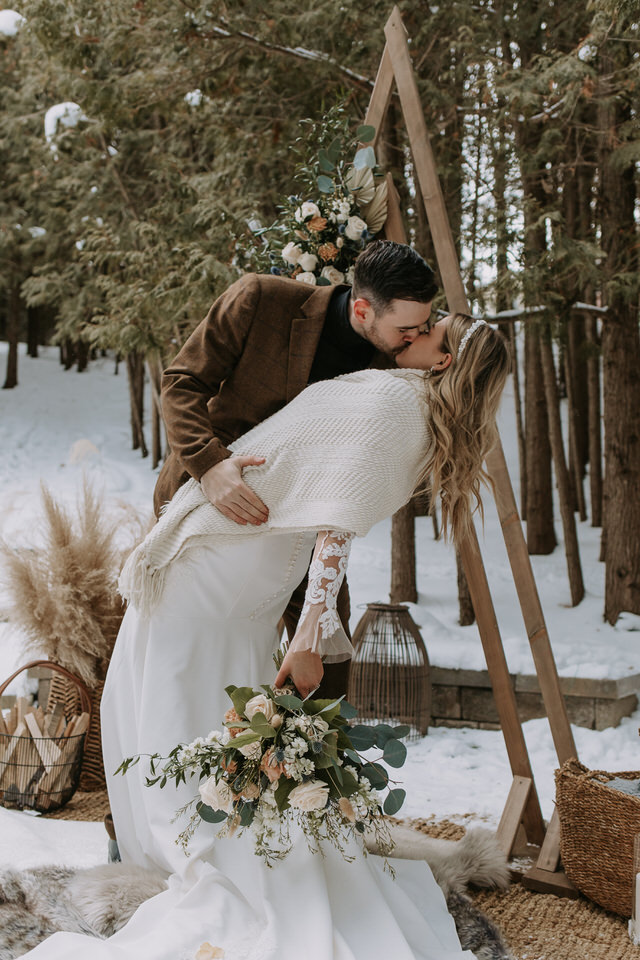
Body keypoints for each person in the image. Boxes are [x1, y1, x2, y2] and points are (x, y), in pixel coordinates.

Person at [18, 310, 509, 960]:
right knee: (186, 693)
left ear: (443, 361)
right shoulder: (412, 406)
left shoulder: (397, 402)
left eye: (430, 333)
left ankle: (186, 853)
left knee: (165, 688)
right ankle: (179, 846)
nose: (412, 333)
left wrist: (310, 635)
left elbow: (338, 521)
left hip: (231, 560)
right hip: (247, 557)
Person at [153, 240, 438, 699]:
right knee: (190, 653)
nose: (416, 335)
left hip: (306, 526)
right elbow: (182, 381)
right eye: (407, 327)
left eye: (424, 324)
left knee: (328, 668)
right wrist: (209, 466)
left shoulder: (397, 361)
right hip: (216, 503)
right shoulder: (260, 299)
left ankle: (295, 765)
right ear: (363, 309)